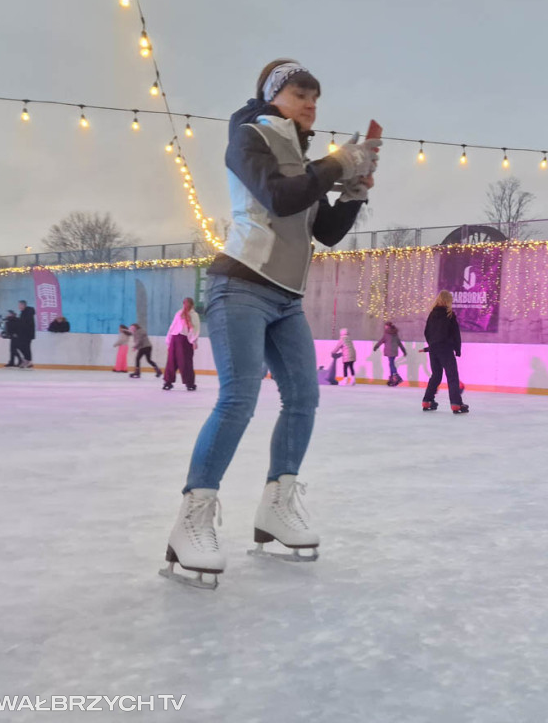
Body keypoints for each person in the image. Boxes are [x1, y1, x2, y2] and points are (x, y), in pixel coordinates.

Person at [160, 58, 380, 589]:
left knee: (304, 397)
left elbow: (322, 229)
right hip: (241, 284)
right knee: (238, 398)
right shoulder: (249, 137)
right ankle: (191, 519)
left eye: (316, 97)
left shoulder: (303, 160)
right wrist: (334, 164)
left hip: (285, 299)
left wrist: (354, 189)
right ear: (274, 95)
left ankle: (277, 506)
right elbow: (280, 198)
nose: (311, 104)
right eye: (301, 93)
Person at [422, 290, 467, 413]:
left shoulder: (432, 315)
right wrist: (457, 349)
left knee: (436, 376)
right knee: (452, 376)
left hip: (434, 349)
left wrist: (431, 345)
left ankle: (427, 400)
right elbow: (455, 334)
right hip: (446, 349)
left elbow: (427, 332)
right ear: (448, 301)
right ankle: (456, 404)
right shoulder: (449, 314)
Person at [162, 298, 200, 391]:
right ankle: (185, 383)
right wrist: (194, 341)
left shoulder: (186, 314)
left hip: (179, 339)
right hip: (180, 339)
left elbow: (173, 327)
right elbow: (193, 329)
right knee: (179, 361)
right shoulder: (185, 314)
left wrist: (193, 341)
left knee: (178, 361)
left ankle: (171, 382)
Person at [374, 320, 407, 386]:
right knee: (391, 363)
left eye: (385, 326)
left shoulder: (386, 334)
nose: (385, 327)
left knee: (391, 363)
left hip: (389, 351)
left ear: (388, 326)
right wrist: (404, 351)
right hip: (394, 351)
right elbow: (399, 343)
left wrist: (376, 346)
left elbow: (381, 341)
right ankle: (392, 378)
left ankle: (395, 376)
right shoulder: (395, 333)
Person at [16, 300, 35, 368]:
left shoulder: (28, 312)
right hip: (23, 334)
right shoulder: (23, 313)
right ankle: (27, 360)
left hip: (27, 333)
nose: (19, 306)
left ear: (23, 305)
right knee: (20, 346)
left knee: (26, 347)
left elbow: (27, 323)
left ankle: (28, 360)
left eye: (20, 305)